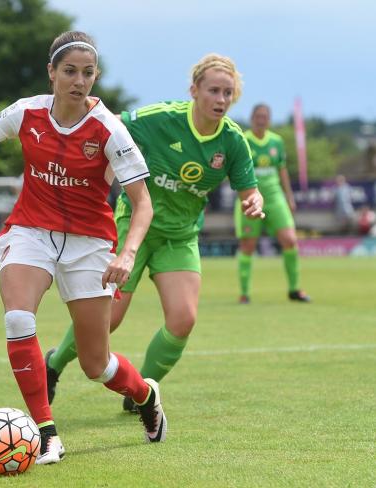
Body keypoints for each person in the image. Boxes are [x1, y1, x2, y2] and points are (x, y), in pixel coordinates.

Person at [0, 31, 166, 465]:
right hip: (29, 231)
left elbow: (143, 202)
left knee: (97, 365)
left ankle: (146, 396)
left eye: (88, 73)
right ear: (51, 73)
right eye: (69, 71)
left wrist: (126, 254)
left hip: (89, 244)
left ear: (96, 77)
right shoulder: (26, 112)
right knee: (18, 318)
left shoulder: (109, 129)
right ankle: (47, 433)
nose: (79, 80)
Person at [45, 54, 265, 413]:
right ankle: (54, 364)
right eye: (213, 90)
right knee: (109, 320)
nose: (221, 99)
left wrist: (254, 201)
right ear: (194, 90)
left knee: (183, 320)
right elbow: (111, 124)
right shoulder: (160, 118)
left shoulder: (232, 141)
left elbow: (248, 189)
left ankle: (141, 392)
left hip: (179, 237)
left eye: (228, 93)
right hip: (133, 226)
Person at [235, 104, 310, 303]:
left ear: (269, 119)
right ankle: (244, 293)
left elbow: (282, 170)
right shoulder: (242, 139)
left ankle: (294, 289)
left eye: (265, 116)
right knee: (248, 246)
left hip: (275, 197)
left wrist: (289, 197)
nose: (261, 120)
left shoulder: (276, 141)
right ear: (252, 118)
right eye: (258, 116)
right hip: (250, 198)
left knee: (290, 240)